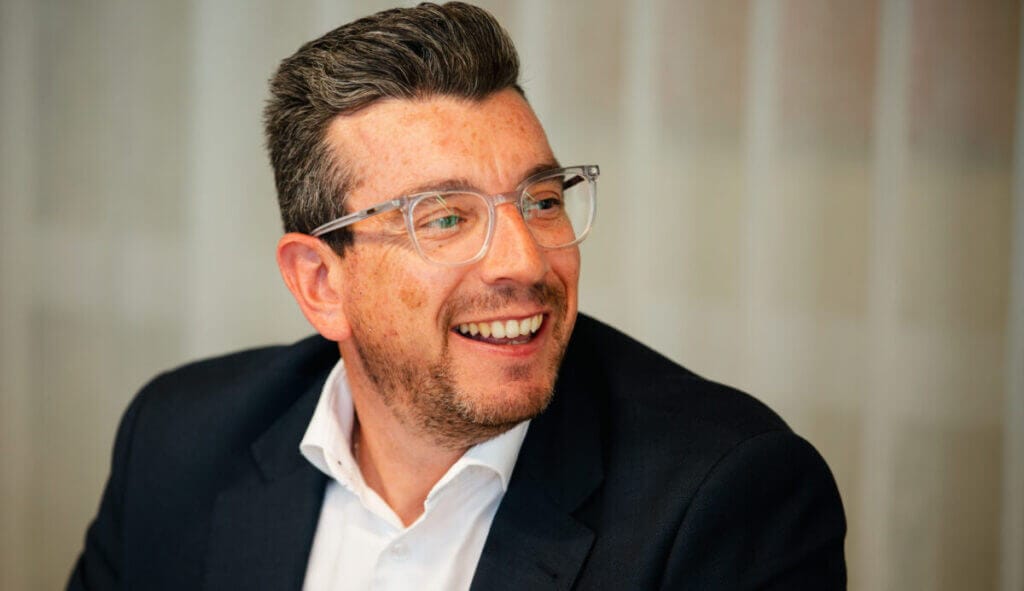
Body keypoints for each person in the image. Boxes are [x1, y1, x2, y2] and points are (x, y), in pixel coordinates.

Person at [67, 3, 846, 590]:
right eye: (445, 218)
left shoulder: (725, 501)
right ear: (321, 282)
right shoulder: (178, 443)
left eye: (543, 200)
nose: (526, 260)